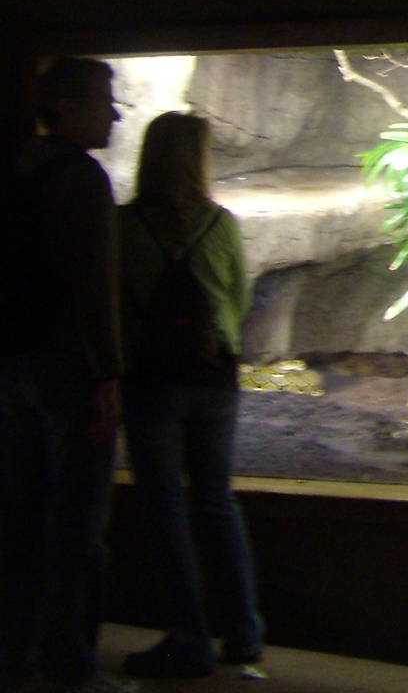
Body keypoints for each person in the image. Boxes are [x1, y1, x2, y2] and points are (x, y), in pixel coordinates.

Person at [116, 112, 263, 678]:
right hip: (214, 380)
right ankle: (245, 632)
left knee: (165, 510)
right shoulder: (220, 223)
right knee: (217, 503)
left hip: (151, 382)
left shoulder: (125, 226)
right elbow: (239, 300)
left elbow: (114, 304)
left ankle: (188, 635)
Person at [0, 57, 130, 693]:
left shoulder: (20, 167)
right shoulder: (83, 179)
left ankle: (15, 655)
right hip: (66, 368)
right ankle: (70, 666)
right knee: (77, 520)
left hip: (13, 364)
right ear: (71, 107)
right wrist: (107, 373)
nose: (114, 112)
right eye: (105, 100)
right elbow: (94, 287)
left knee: (19, 513)